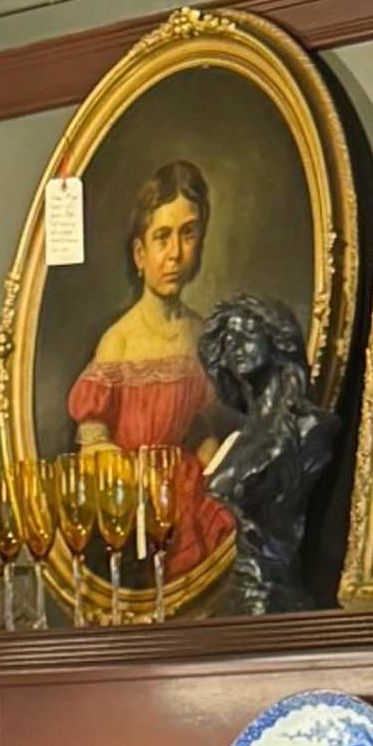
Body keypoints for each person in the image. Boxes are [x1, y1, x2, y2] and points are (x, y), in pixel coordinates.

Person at [66, 157, 230, 564]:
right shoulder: (118, 343)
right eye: (162, 237)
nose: (175, 253)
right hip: (135, 505)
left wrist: (221, 468)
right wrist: (128, 479)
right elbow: (92, 441)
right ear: (140, 253)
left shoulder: (201, 334)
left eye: (188, 234)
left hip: (190, 493)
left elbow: (199, 429)